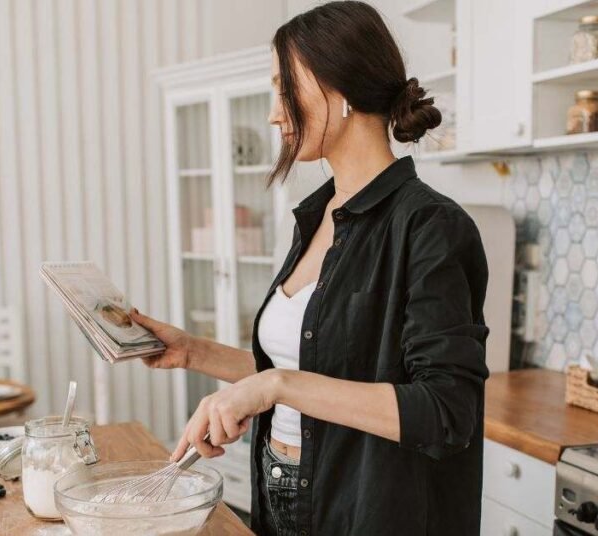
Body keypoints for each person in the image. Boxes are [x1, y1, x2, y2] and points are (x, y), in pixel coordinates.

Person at [131, 2, 490, 534]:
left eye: (284, 88)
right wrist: (192, 351)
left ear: (339, 87)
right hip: (283, 489)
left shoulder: (430, 227)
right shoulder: (317, 216)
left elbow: (445, 412)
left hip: (368, 508)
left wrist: (276, 386)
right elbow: (318, 365)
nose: (275, 113)